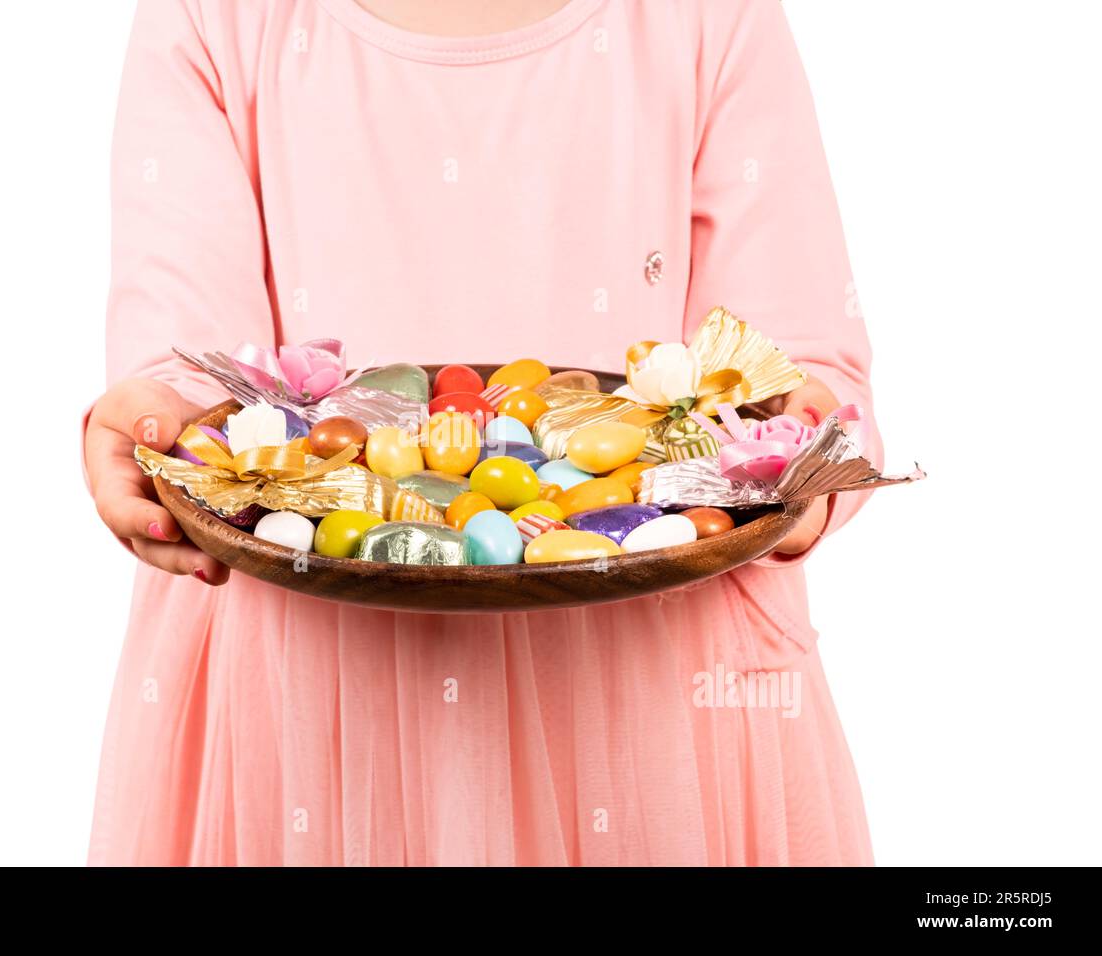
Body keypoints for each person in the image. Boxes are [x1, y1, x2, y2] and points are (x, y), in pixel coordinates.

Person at [83, 0, 880, 865]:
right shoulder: (216, 15)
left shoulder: (708, 17)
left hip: (648, 701)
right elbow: (196, 363)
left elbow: (789, 366)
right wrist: (158, 417)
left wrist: (792, 474)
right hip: (307, 698)